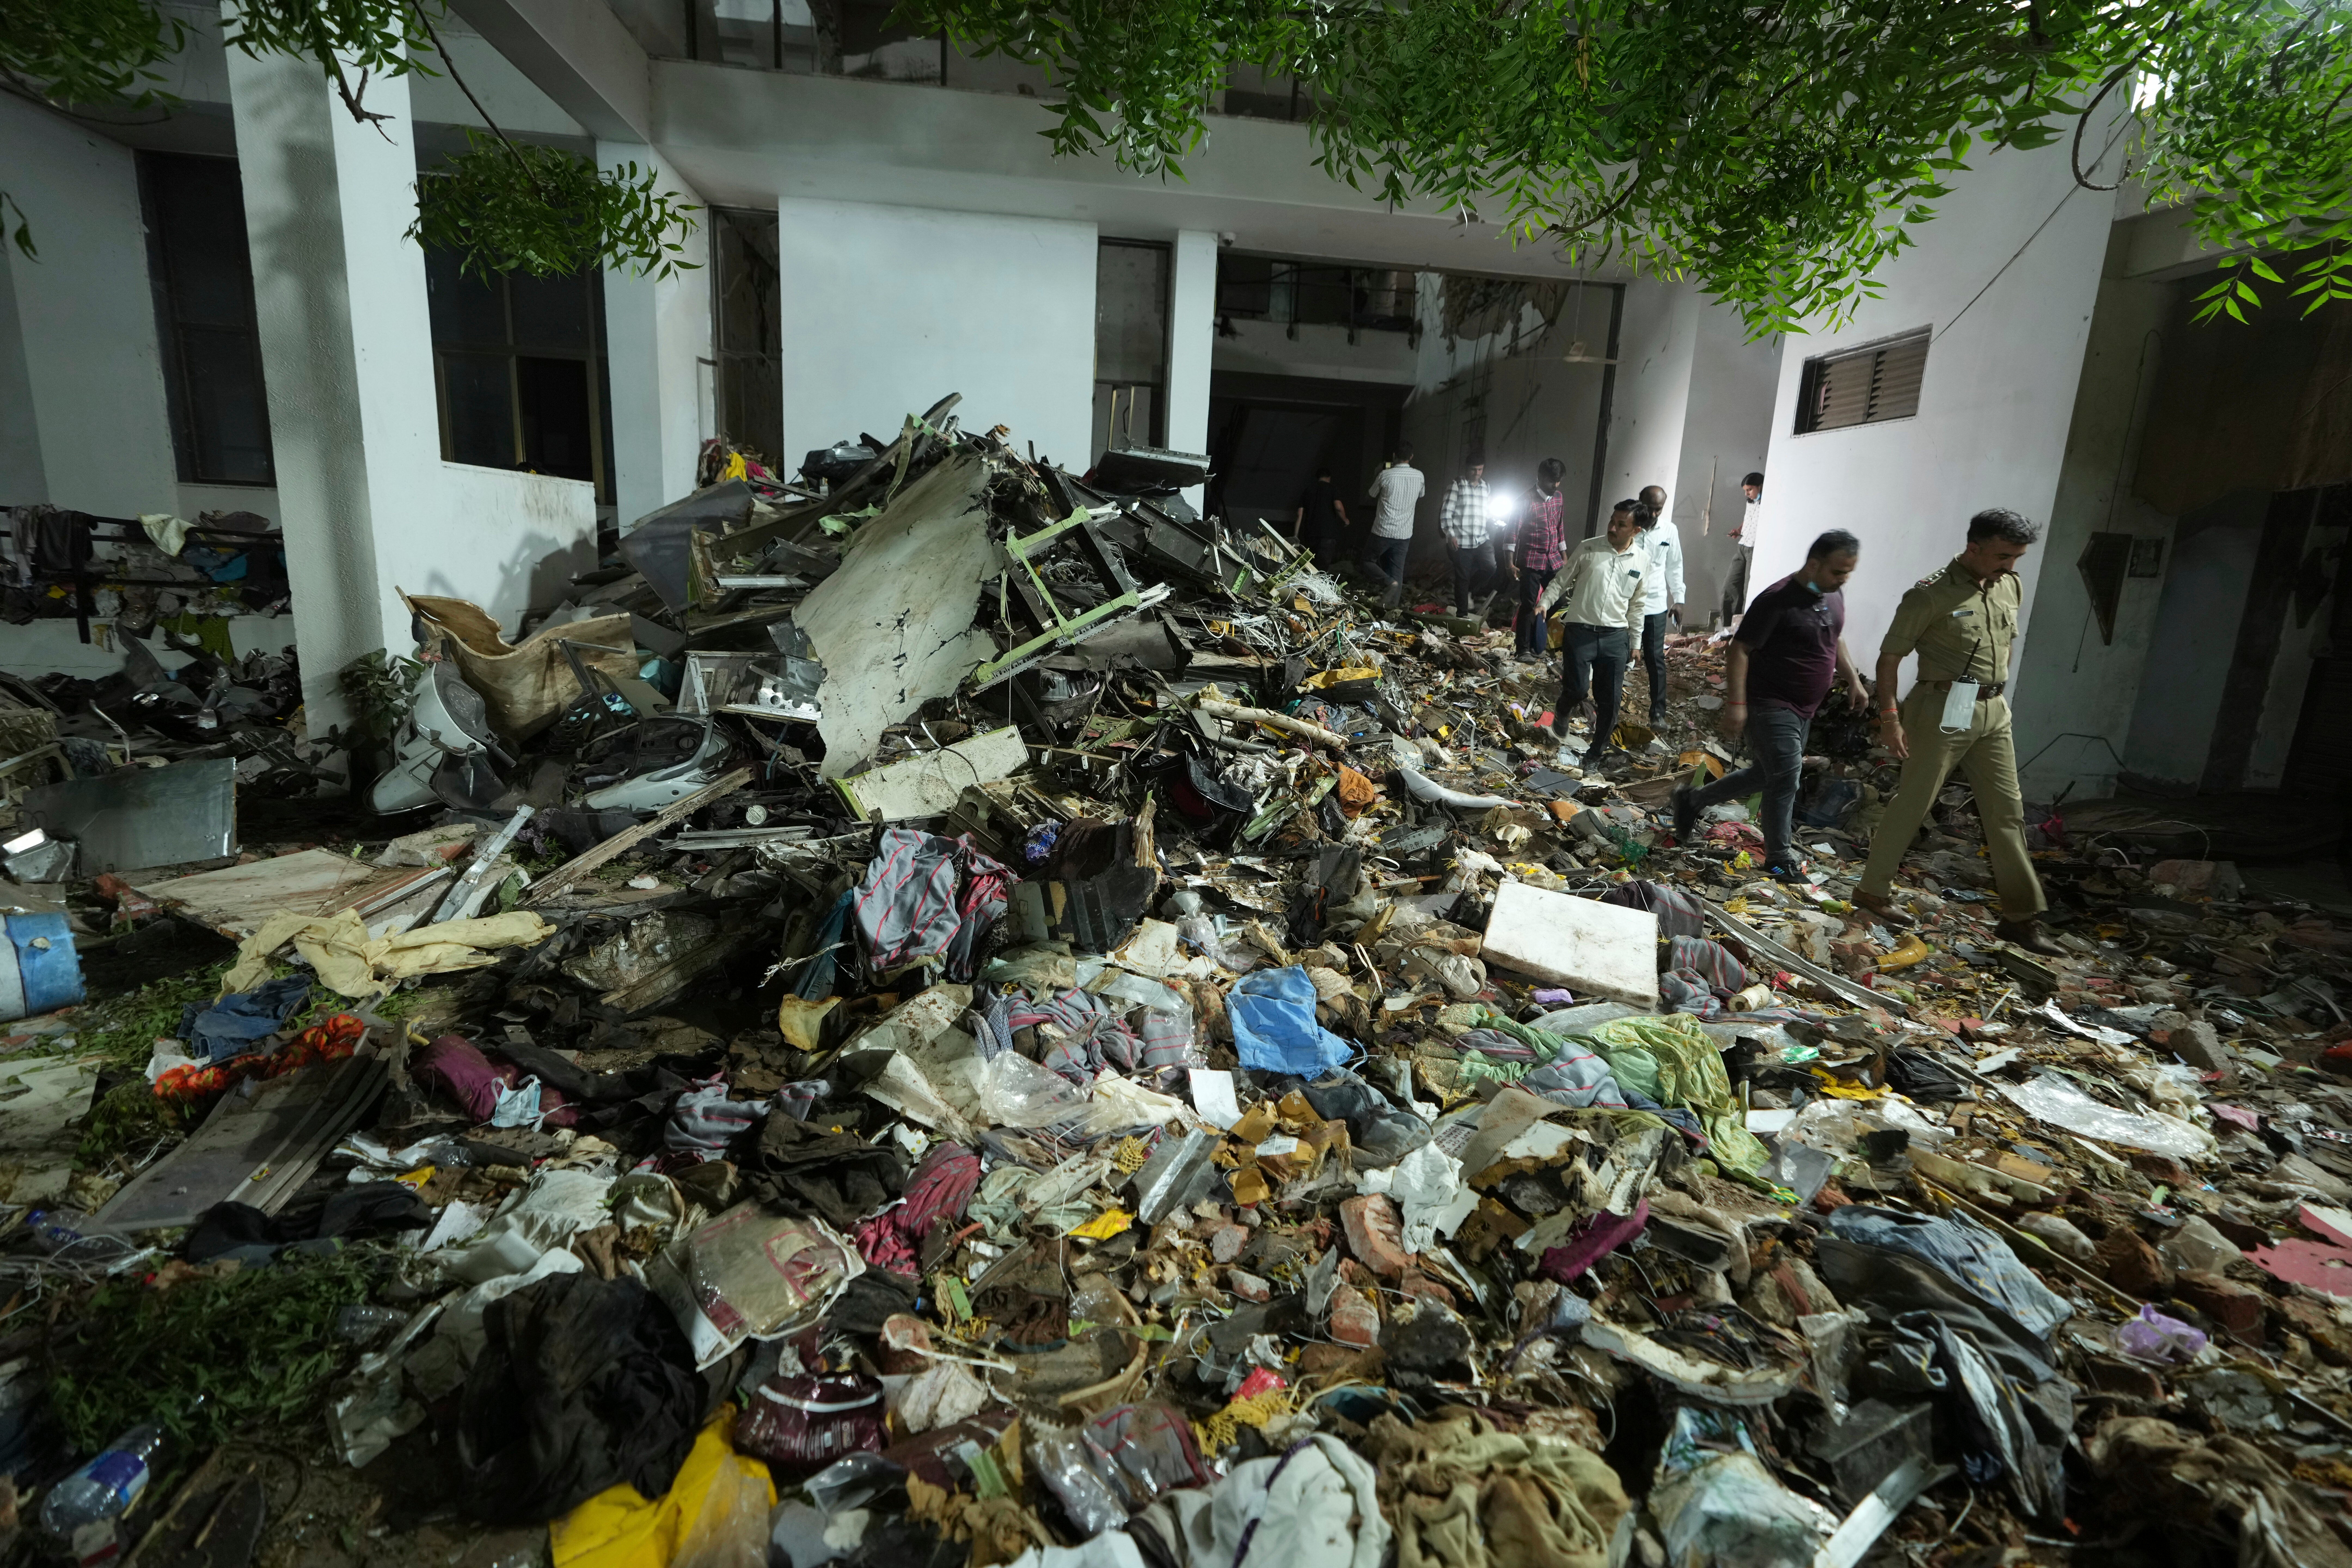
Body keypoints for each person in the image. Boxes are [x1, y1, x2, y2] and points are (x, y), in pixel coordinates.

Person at [1854, 507, 2063, 955]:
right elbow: (1890, 659)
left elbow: (2003, 644)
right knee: (1914, 802)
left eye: (2017, 557)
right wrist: (1890, 719)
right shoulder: (1928, 596)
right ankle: (1872, 891)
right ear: (1974, 548)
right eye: (2004, 556)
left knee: (2007, 812)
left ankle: (2021, 917)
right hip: (1944, 706)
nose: (2012, 566)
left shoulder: (2010, 586)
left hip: (1992, 710)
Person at [1672, 530, 1868, 879]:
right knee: (1786, 780)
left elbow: (1835, 639)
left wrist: (1852, 679)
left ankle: (1693, 800)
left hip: (1806, 709)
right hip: (1770, 703)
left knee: (1768, 773)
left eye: (1848, 573)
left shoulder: (1832, 594)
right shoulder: (1777, 600)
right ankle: (1780, 858)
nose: (1844, 580)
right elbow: (1740, 650)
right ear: (1814, 564)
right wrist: (1737, 704)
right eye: (1838, 572)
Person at [1534, 501, 1647, 766]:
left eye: (1621, 525)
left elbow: (1638, 603)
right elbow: (1562, 580)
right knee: (1578, 689)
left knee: (1611, 702)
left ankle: (1594, 755)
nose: (1613, 528)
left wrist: (1636, 642)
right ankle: (1563, 710)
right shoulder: (1589, 548)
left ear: (1636, 531)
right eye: (1612, 521)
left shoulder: (1642, 560)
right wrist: (1545, 603)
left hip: (1615, 637)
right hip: (1581, 632)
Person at [1632, 483, 1685, 725]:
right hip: (1626, 604)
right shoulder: (1628, 526)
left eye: (1659, 510)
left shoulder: (1669, 531)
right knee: (1619, 655)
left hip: (1655, 604)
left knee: (1655, 659)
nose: (1654, 515)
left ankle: (1658, 713)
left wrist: (1679, 599)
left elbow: (1675, 566)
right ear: (1640, 503)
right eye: (1650, 509)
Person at [1509, 458, 1569, 658]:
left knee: (1559, 601)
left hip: (1553, 560)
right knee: (1528, 604)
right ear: (1541, 478)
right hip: (1531, 561)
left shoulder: (1559, 498)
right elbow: (1512, 534)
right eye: (1553, 481)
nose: (1557, 485)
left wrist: (1565, 557)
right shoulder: (1525, 501)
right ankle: (1523, 650)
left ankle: (1535, 635)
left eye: (1559, 481)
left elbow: (1560, 528)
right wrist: (1509, 562)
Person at [1362, 444, 1424, 609]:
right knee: (1398, 571)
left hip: (1383, 530)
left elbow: (1370, 497)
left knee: (1367, 561)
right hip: (1404, 533)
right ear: (1411, 457)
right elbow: (1421, 495)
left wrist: (1377, 474)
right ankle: (1391, 609)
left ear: (1394, 455)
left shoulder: (1385, 475)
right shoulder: (1420, 476)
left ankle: (1389, 583)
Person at [1437, 460, 1500, 617]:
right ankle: (1463, 614)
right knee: (1463, 577)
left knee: (1490, 567)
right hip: (1462, 540)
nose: (1477, 473)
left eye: (1480, 470)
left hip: (1481, 538)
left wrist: (1496, 520)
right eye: (1474, 470)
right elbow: (1446, 513)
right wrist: (1450, 535)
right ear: (1467, 469)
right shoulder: (1457, 485)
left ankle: (1470, 591)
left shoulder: (1486, 487)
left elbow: (1487, 511)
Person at [1724, 471, 1764, 622]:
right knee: (1730, 585)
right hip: (1742, 546)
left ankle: (1744, 625)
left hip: (1755, 548)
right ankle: (1728, 625)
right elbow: (1748, 519)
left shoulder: (1769, 503)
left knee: (1749, 588)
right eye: (1745, 491)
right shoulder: (1751, 502)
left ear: (1760, 487)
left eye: (1750, 490)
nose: (1747, 494)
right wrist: (1739, 530)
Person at [1292, 467, 1350, 559]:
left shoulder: (1308, 490)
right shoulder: (1332, 489)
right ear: (1329, 478)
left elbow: (1300, 514)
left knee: (1310, 567)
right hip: (1327, 535)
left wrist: (1296, 536)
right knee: (1323, 569)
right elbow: (1339, 507)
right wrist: (1345, 520)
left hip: (1310, 535)